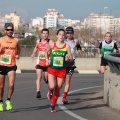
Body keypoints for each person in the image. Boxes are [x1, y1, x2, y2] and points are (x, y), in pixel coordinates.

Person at [45, 29, 73, 112]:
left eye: (63, 35)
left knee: (58, 88)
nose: (61, 36)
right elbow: (45, 52)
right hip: (52, 69)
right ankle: (50, 91)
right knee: (52, 86)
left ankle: (53, 105)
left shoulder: (67, 46)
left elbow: (71, 58)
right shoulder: (52, 45)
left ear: (65, 36)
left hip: (61, 70)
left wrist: (68, 58)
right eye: (60, 34)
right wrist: (47, 60)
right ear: (57, 36)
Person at [0, 23, 20, 111]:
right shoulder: (1, 40)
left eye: (11, 29)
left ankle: (8, 100)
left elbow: (18, 49)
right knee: (1, 86)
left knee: (11, 84)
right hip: (1, 65)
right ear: (5, 30)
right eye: (8, 30)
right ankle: (0, 101)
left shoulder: (16, 40)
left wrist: (17, 54)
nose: (10, 31)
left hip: (11, 65)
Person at [62, 26, 82, 104]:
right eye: (67, 33)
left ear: (73, 33)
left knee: (68, 79)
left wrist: (79, 50)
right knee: (61, 81)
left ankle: (64, 97)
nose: (69, 34)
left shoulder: (75, 41)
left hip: (71, 62)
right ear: (65, 33)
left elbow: (78, 47)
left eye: (70, 33)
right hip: (63, 62)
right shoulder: (63, 40)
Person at [31, 28, 52, 98]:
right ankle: (38, 91)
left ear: (48, 34)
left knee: (46, 77)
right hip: (40, 62)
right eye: (44, 33)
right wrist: (33, 53)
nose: (45, 35)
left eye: (46, 33)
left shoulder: (50, 42)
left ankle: (46, 80)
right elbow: (36, 47)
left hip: (47, 62)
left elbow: (54, 48)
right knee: (39, 76)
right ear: (41, 34)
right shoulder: (38, 41)